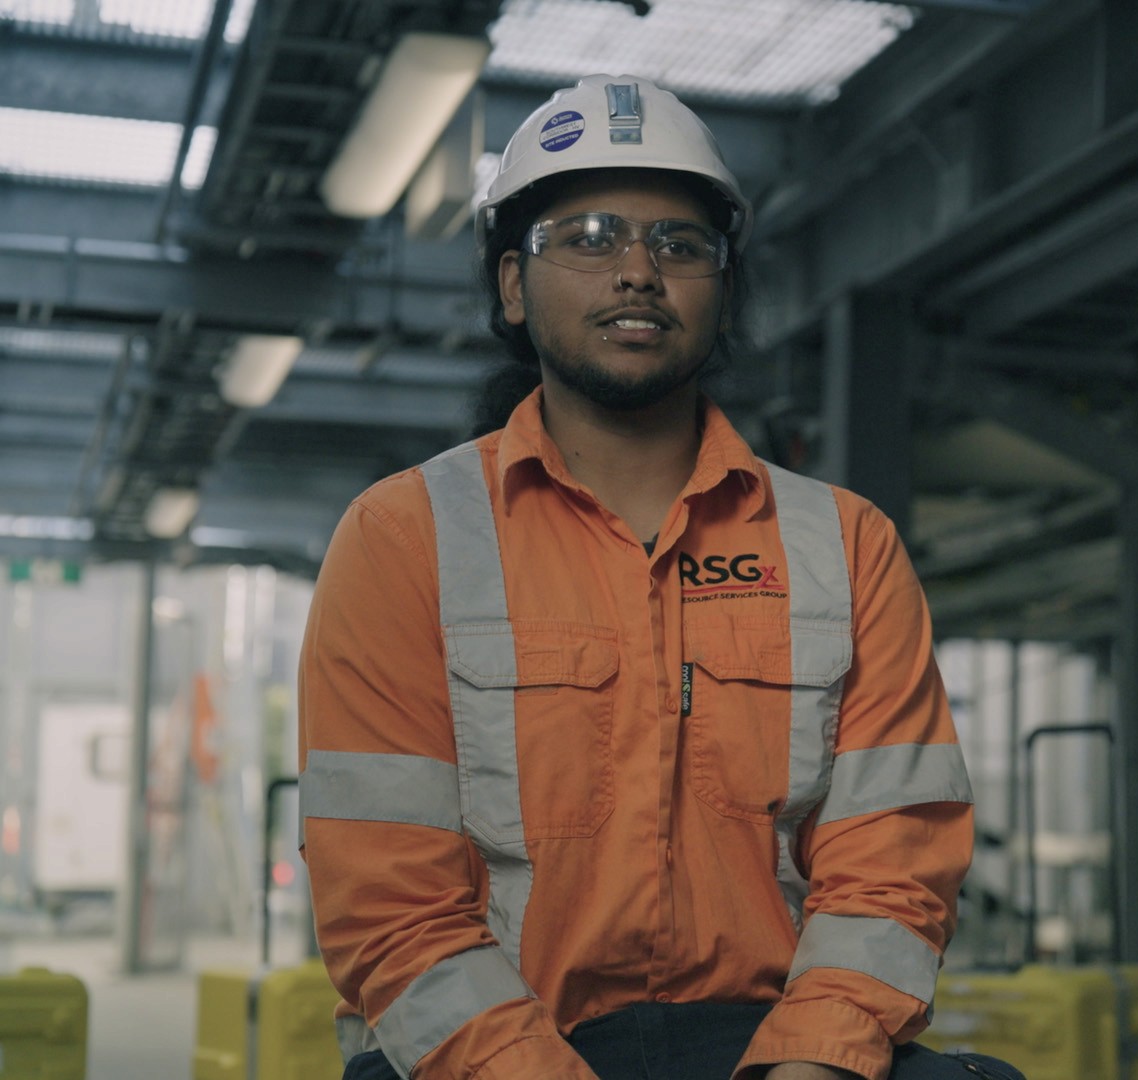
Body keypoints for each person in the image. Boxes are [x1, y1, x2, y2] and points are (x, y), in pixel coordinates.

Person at [298, 75, 1020, 1080]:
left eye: (680, 245)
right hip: (498, 1044)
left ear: (721, 288)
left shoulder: (844, 545)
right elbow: (386, 897)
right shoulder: (403, 538)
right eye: (589, 236)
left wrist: (814, 1063)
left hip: (769, 1047)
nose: (637, 270)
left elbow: (891, 869)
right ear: (513, 284)